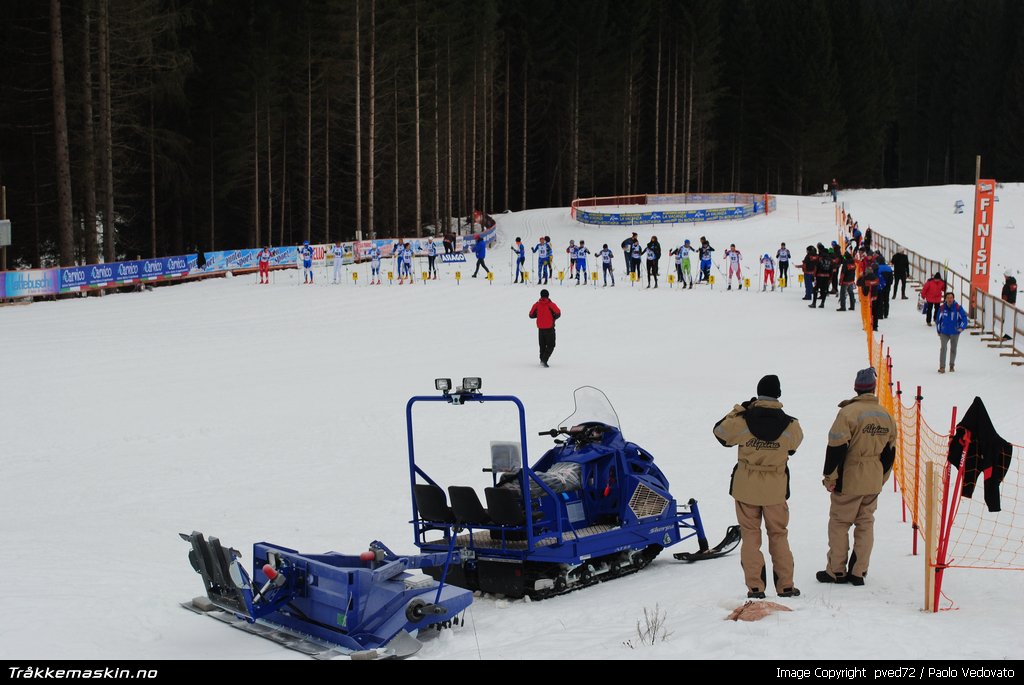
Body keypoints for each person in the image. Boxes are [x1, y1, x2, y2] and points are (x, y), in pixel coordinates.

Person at [713, 375, 804, 599]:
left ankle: (755, 587)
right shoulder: (791, 426)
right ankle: (786, 586)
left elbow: (720, 433)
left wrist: (738, 409)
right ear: (778, 394)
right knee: (779, 535)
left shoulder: (742, 420)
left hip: (746, 489)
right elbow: (793, 447)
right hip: (775, 489)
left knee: (751, 537)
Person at [817, 368, 896, 586]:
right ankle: (859, 572)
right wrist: (881, 479)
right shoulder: (886, 416)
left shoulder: (848, 414)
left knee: (840, 524)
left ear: (856, 388)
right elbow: (890, 454)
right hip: (873, 478)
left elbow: (836, 448)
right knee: (865, 524)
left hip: (850, 477)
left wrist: (830, 478)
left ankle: (836, 571)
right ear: (872, 388)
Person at [935, 291, 968, 373]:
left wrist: (961, 327)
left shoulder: (958, 307)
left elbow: (964, 318)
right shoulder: (942, 308)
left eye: (951, 298)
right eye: (948, 298)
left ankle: (952, 365)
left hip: (955, 332)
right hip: (944, 332)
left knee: (953, 349)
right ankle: (942, 367)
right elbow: (938, 320)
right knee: (943, 348)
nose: (950, 299)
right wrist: (938, 330)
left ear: (953, 299)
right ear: (945, 299)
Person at [528, 289, 561, 368]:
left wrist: (539, 315)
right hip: (549, 328)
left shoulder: (537, 304)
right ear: (548, 295)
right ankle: (544, 360)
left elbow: (531, 315)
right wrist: (553, 318)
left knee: (542, 346)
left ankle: (542, 361)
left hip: (540, 329)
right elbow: (558, 313)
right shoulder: (551, 304)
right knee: (551, 345)